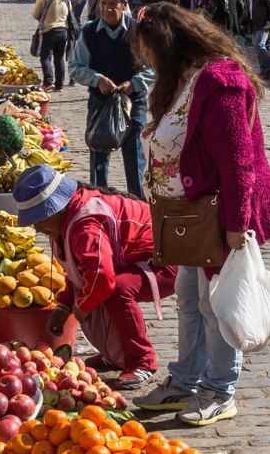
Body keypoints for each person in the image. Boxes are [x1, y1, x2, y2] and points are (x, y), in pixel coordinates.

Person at [116, 4, 270, 425]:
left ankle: (219, 389)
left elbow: (238, 162)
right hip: (191, 214)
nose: (145, 59)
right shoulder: (183, 78)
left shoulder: (220, 81)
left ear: (170, 44)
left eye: (149, 50)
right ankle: (186, 380)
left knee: (214, 302)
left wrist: (236, 225)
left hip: (218, 214)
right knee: (189, 296)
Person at [10, 166, 172, 388]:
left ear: (57, 209)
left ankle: (142, 362)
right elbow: (81, 269)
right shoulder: (66, 221)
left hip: (168, 257)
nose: (37, 228)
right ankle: (116, 353)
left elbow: (101, 277)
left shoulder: (85, 226)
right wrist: (64, 306)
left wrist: (81, 308)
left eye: (39, 219)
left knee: (117, 290)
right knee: (94, 290)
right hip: (137, 258)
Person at [71, 0, 149, 197]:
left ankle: (138, 202)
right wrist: (97, 80)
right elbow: (75, 67)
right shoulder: (89, 32)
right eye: (103, 3)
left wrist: (133, 84)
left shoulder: (138, 32)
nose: (106, 9)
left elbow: (154, 68)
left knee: (134, 155)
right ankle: (99, 200)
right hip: (100, 102)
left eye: (112, 4)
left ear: (124, 5)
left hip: (133, 103)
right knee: (99, 154)